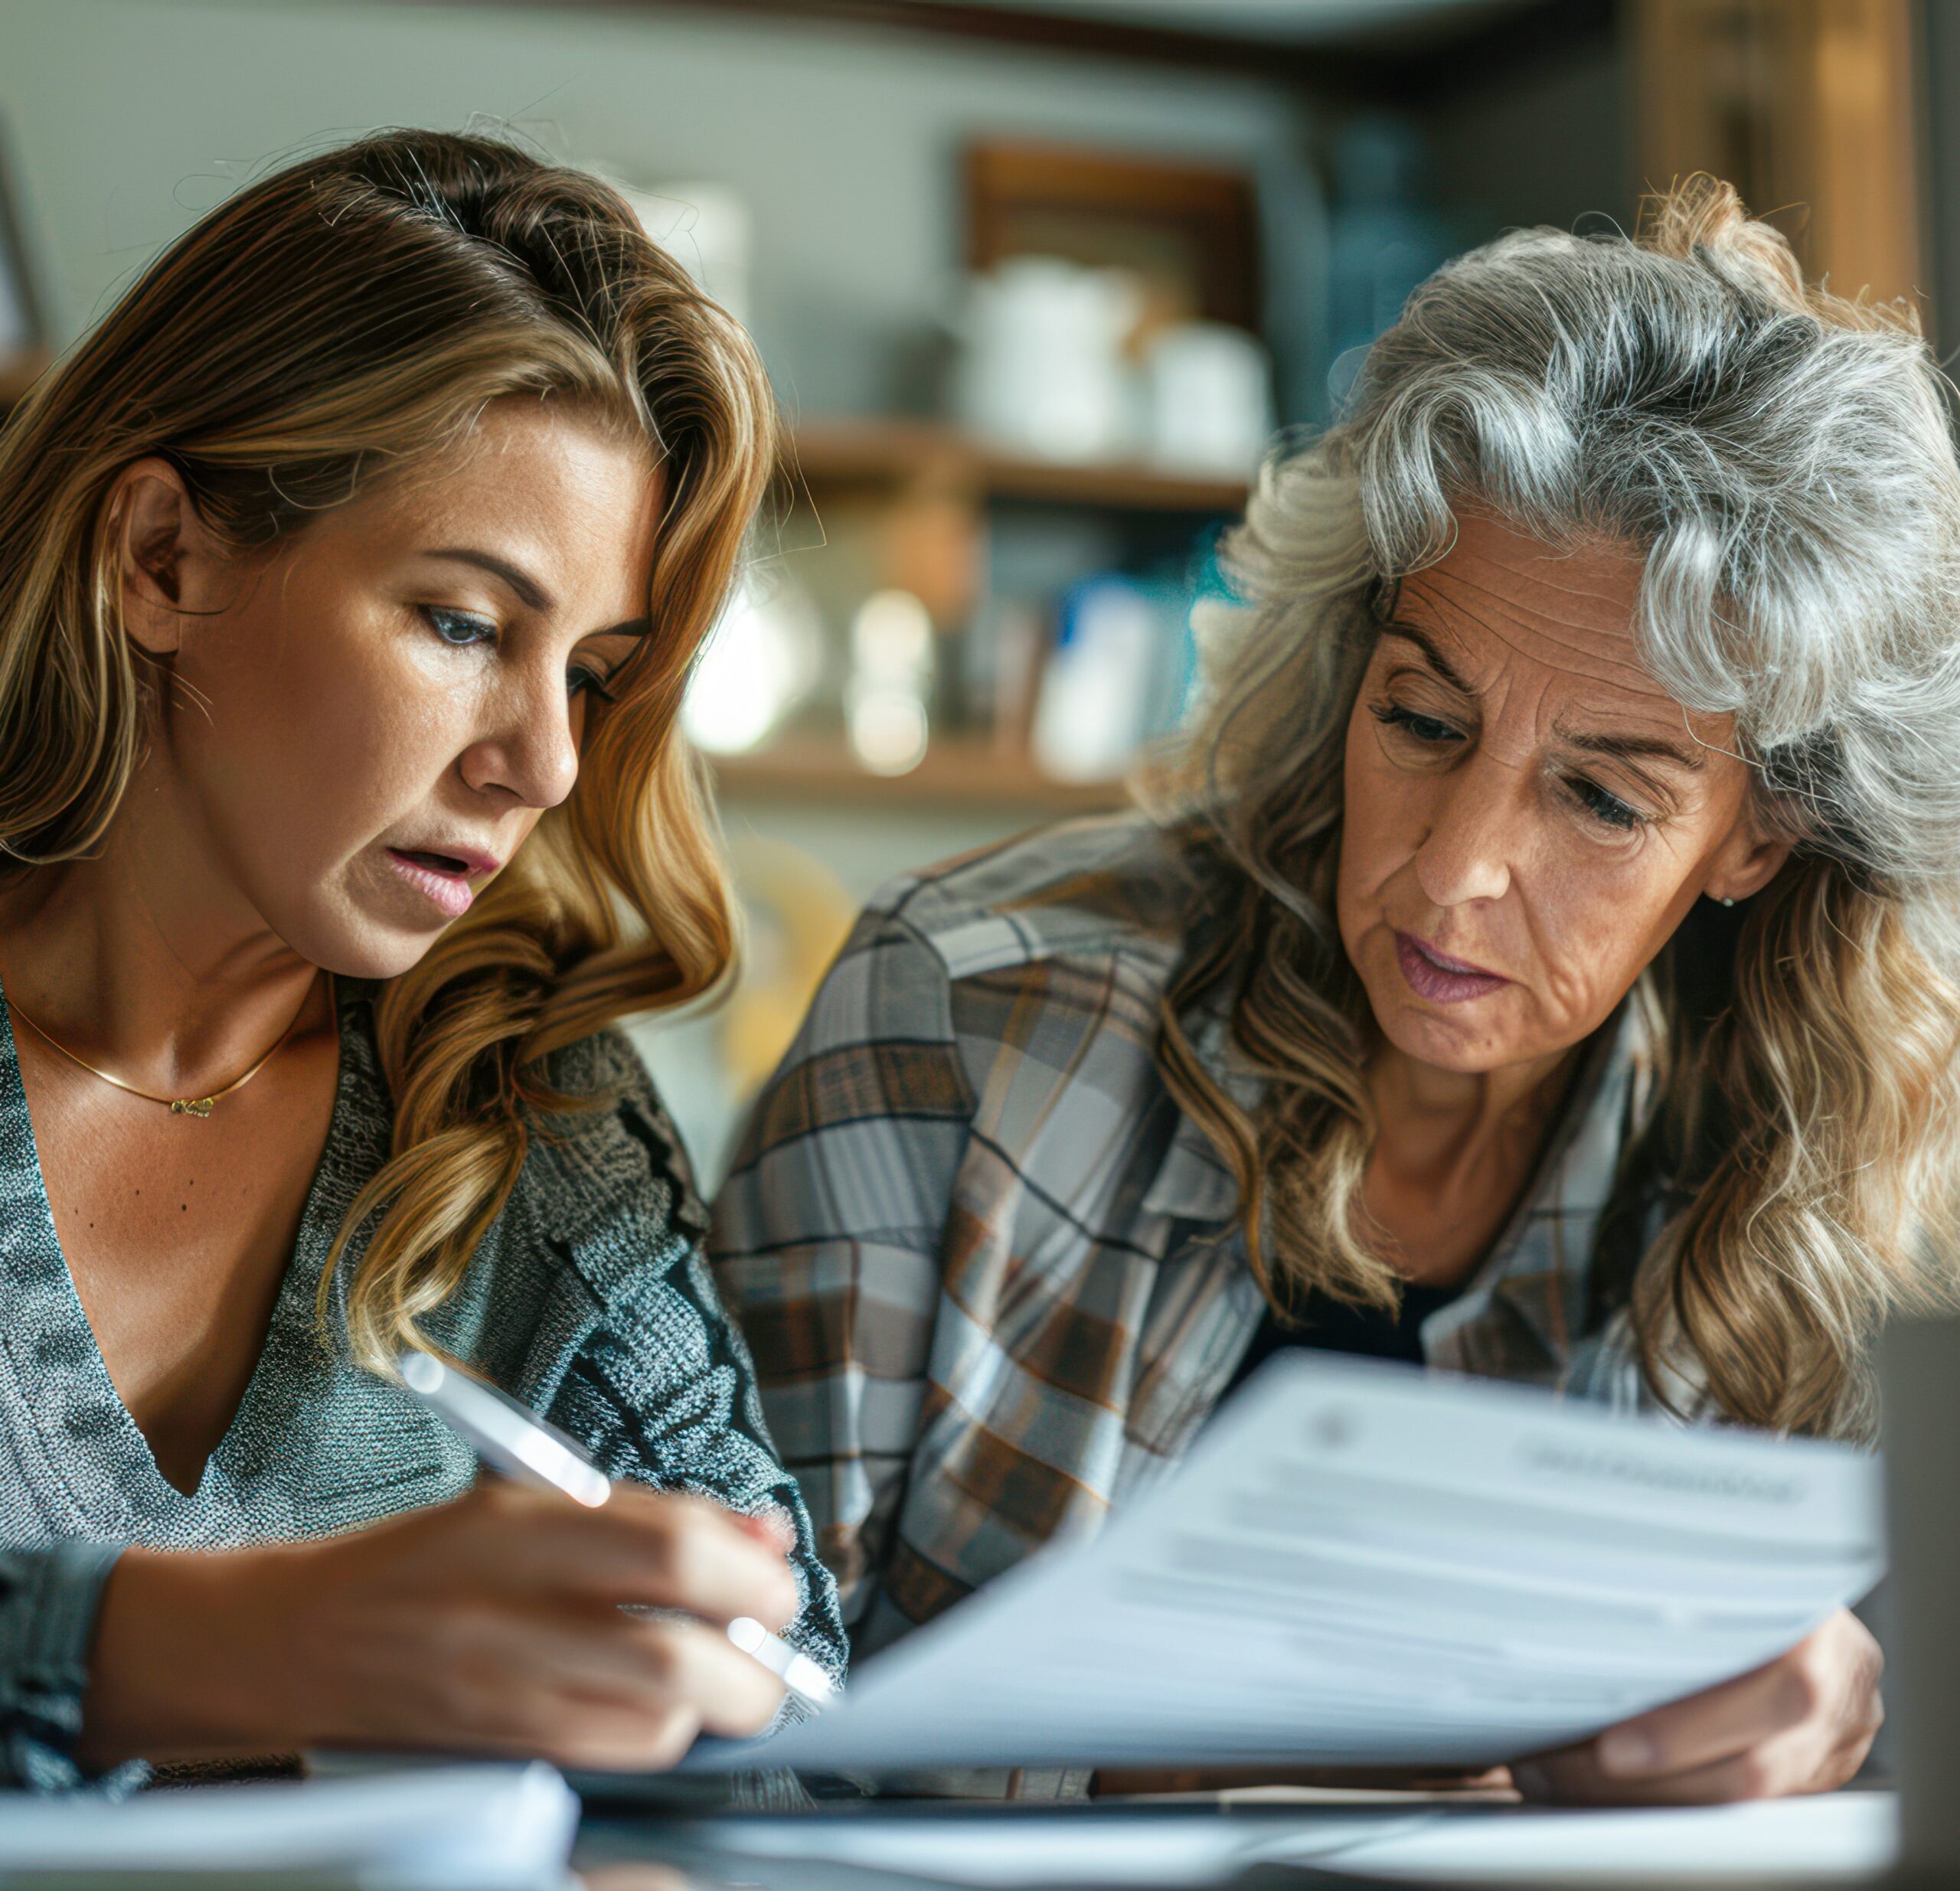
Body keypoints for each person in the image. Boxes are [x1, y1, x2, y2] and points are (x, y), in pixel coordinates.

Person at [715, 179, 1960, 1806]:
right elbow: (717, 1715)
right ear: (1342, 662)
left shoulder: (1812, 1155)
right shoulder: (963, 1021)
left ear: (1756, 836)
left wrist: (1838, 1728)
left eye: (1597, 799)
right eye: (1423, 723)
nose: (1450, 873)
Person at [0, 128, 842, 1791]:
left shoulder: (522, 1107)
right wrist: (230, 1649)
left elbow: (788, 1722)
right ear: (163, 557)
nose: (540, 761)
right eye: (463, 623)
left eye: (591, 672)